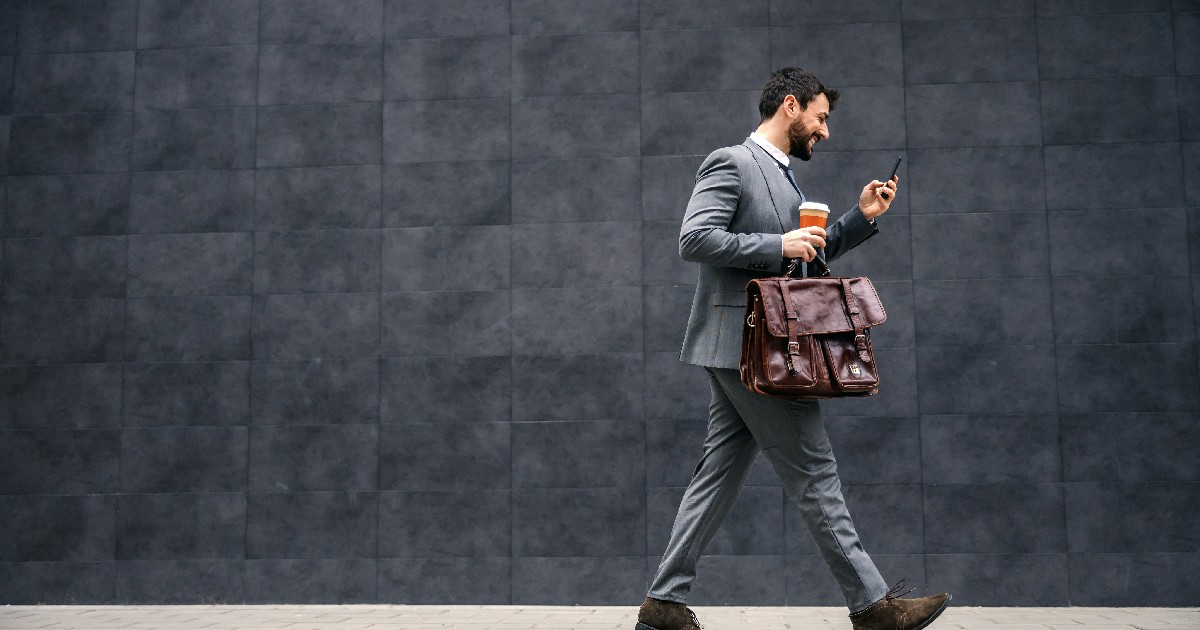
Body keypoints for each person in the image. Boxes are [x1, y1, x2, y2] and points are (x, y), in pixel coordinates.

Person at [636, 67, 951, 630]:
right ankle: (874, 607)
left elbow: (802, 257)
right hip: (750, 348)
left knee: (718, 474)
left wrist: (859, 219)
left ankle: (664, 603)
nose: (825, 132)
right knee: (815, 472)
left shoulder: (784, 177)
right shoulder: (732, 162)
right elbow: (694, 238)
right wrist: (776, 243)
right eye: (821, 117)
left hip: (749, 348)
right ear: (790, 106)